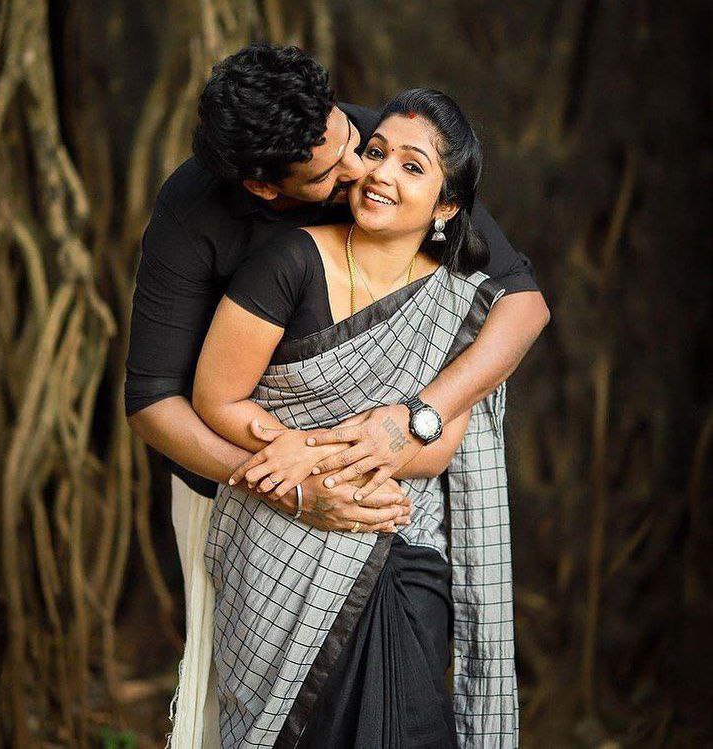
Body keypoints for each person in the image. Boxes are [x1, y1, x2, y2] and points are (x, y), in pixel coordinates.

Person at [123, 43, 547, 746]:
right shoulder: (199, 214)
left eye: (355, 137)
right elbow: (154, 401)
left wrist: (416, 416)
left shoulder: (386, 152)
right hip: (235, 487)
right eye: (333, 169)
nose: (361, 169)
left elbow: (521, 306)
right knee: (250, 708)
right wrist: (289, 482)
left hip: (395, 498)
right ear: (266, 188)